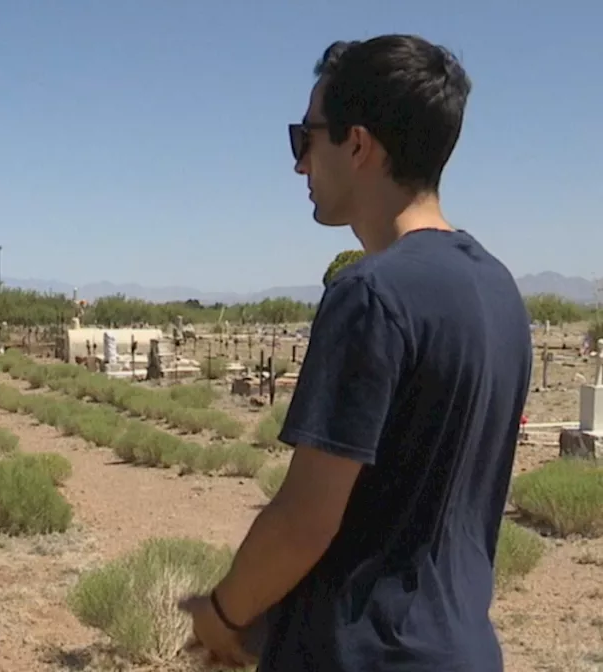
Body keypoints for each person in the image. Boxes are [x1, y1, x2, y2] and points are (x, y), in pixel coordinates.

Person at [179, 34, 533, 670]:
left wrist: (223, 615)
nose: (298, 164)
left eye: (305, 137)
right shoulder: (499, 290)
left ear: (359, 144)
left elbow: (305, 518)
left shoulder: (370, 294)